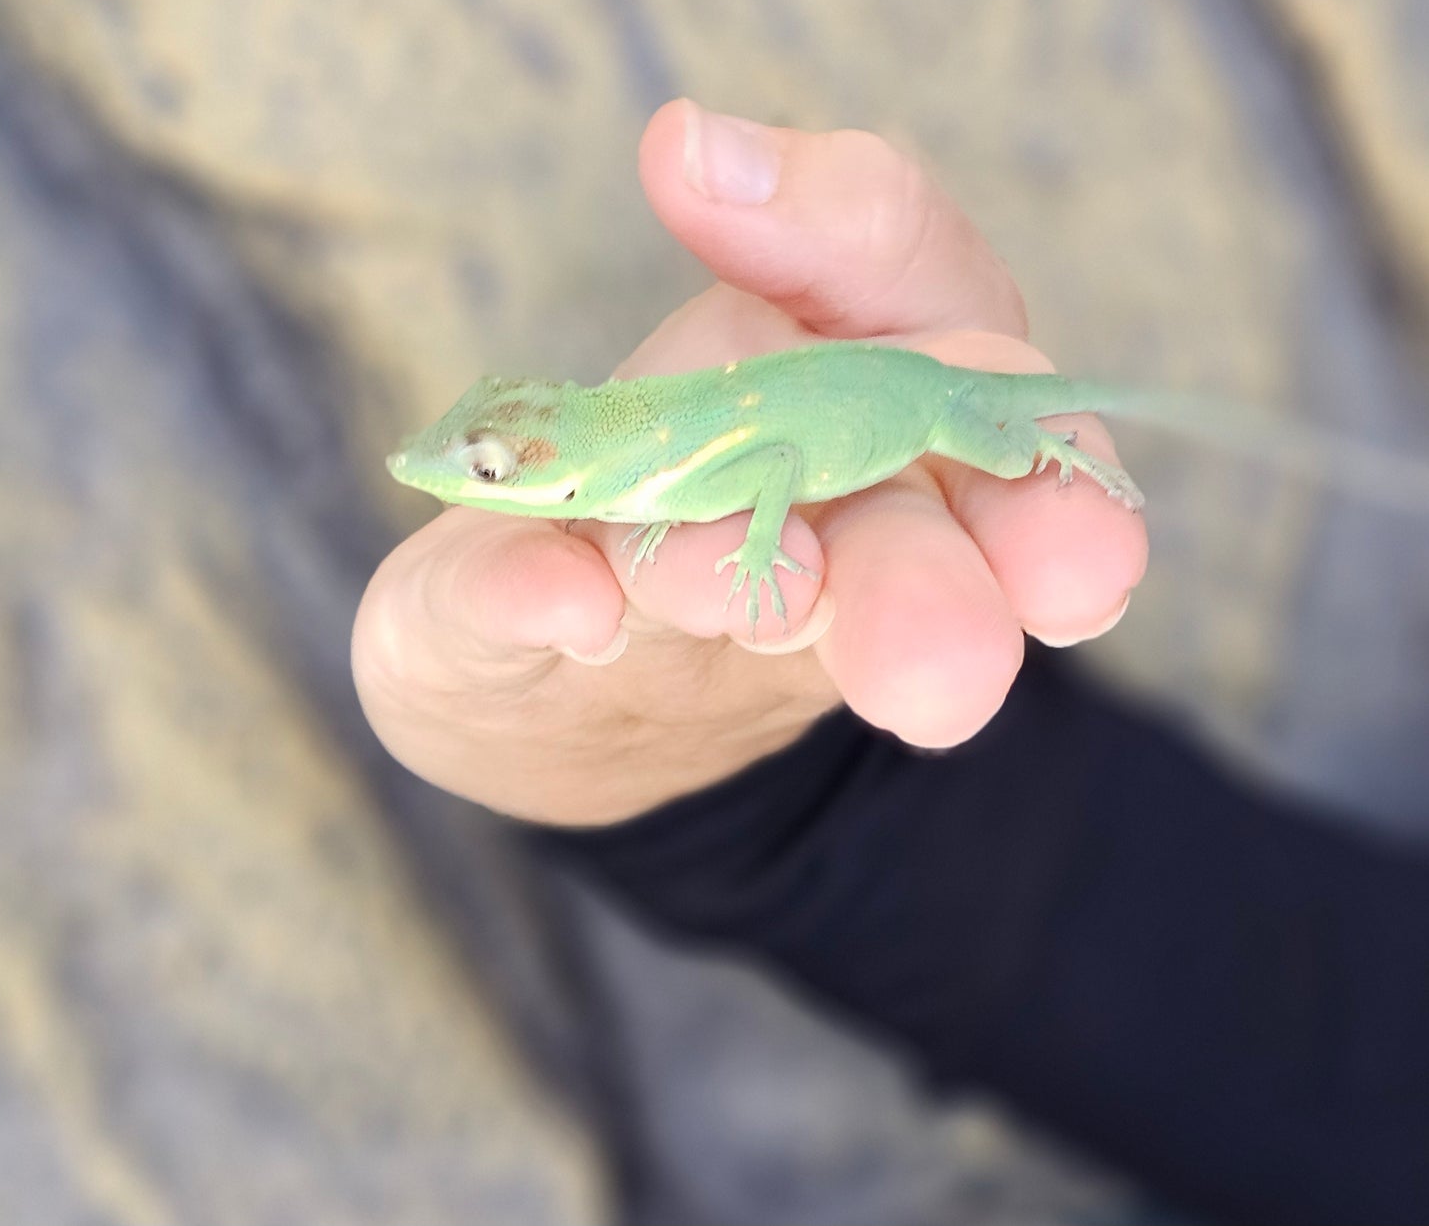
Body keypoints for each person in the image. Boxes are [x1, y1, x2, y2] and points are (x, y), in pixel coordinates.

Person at [352, 100, 1429, 1225]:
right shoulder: (632, 476)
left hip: (918, 424)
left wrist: (768, 556)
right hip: (984, 806)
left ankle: (1034, 447)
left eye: (477, 464)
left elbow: (765, 453)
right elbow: (1199, 972)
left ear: (558, 475)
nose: (440, 470)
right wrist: (726, 775)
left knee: (986, 449)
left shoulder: (649, 479)